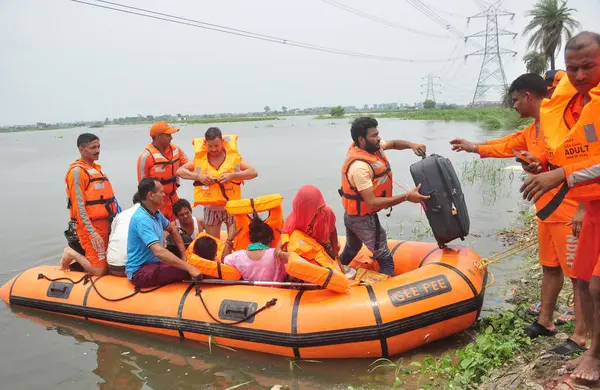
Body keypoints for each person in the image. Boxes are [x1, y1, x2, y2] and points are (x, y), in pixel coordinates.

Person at [449, 73, 585, 352]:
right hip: (546, 210)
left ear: (528, 96)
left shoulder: (562, 123)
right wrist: (473, 147)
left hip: (569, 211)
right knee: (550, 267)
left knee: (578, 276)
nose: (513, 106)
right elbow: (508, 145)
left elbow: (579, 162)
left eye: (514, 100)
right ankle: (545, 321)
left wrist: (583, 206)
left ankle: (581, 336)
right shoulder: (532, 129)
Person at [519, 32, 600, 382]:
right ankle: (588, 344)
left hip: (576, 206)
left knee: (596, 284)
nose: (580, 76)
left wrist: (561, 177)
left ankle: (593, 353)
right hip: (590, 205)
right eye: (573, 69)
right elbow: (582, 156)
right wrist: (545, 170)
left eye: (589, 67)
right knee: (582, 281)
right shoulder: (575, 107)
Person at [337, 117, 430, 276]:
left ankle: (335, 271)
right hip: (362, 219)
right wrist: (407, 196)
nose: (379, 138)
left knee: (352, 248)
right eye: (374, 135)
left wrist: (412, 145)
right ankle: (390, 290)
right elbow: (372, 203)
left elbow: (393, 144)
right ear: (361, 139)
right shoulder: (359, 167)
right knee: (385, 256)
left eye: (378, 134)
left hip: (352, 216)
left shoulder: (372, 147)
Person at [177, 127, 258, 239]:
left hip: (231, 208)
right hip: (211, 209)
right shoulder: (200, 159)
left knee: (235, 240)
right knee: (213, 242)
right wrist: (198, 176)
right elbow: (180, 171)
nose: (213, 149)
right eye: (210, 146)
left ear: (222, 142)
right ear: (205, 143)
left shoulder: (233, 158)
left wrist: (233, 175)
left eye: (216, 145)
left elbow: (253, 172)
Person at [126, 178, 201, 288]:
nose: (164, 194)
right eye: (160, 192)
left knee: (189, 264)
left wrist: (184, 256)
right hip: (140, 271)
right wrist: (188, 267)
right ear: (151, 195)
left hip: (155, 263)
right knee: (185, 271)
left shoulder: (156, 213)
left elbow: (173, 230)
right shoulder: (142, 219)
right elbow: (158, 251)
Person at [63, 133, 118, 276]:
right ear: (81, 150)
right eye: (93, 147)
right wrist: (92, 233)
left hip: (107, 225)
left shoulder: (96, 169)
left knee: (112, 265)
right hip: (91, 229)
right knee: (100, 271)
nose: (97, 150)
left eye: (99, 146)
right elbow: (79, 207)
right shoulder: (77, 172)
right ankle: (70, 253)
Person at [137, 121, 189, 221]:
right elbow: (143, 188)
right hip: (157, 204)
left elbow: (189, 166)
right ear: (158, 136)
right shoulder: (145, 157)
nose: (171, 137)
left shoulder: (176, 150)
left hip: (174, 200)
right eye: (168, 135)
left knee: (180, 230)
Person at [281, 184, 340, 264]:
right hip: (303, 254)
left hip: (322, 247)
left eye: (321, 206)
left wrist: (336, 255)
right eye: (317, 208)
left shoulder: (325, 213)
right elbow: (281, 246)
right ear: (306, 210)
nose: (320, 210)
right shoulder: (292, 222)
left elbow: (333, 230)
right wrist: (284, 254)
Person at [224, 218, 289, 282]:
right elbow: (294, 260)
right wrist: (286, 235)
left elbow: (224, 262)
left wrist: (229, 239)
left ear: (250, 239)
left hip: (248, 292)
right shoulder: (278, 255)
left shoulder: (237, 256)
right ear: (270, 239)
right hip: (276, 291)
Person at [105, 192, 141, 277]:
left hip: (113, 266)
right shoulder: (148, 215)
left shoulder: (120, 215)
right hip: (131, 268)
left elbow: (111, 240)